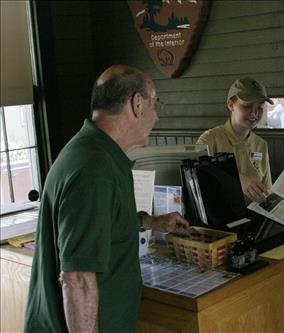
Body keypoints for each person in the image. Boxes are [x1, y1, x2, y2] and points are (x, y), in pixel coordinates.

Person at [24, 65, 191, 333]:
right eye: (154, 103)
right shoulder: (94, 170)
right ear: (137, 104)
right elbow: (76, 278)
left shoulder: (97, 152)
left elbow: (101, 224)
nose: (156, 116)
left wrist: (150, 221)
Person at [197, 77, 273, 203]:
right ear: (230, 105)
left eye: (260, 107)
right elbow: (196, 180)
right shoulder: (209, 139)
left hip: (255, 216)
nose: (254, 114)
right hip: (221, 219)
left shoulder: (260, 145)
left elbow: (267, 189)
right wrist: (237, 179)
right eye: (247, 106)